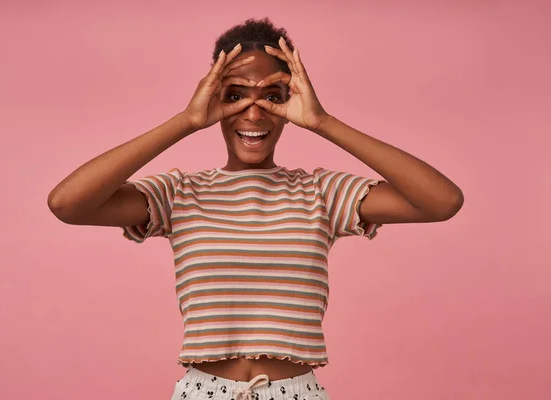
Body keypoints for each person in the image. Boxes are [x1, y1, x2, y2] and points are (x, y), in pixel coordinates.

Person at [48, 17, 463, 400]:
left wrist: (322, 122)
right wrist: (187, 120)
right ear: (213, 98)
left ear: (290, 103)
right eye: (234, 95)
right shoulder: (180, 192)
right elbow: (67, 203)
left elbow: (442, 201)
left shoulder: (320, 191)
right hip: (202, 392)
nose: (252, 112)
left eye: (272, 96)